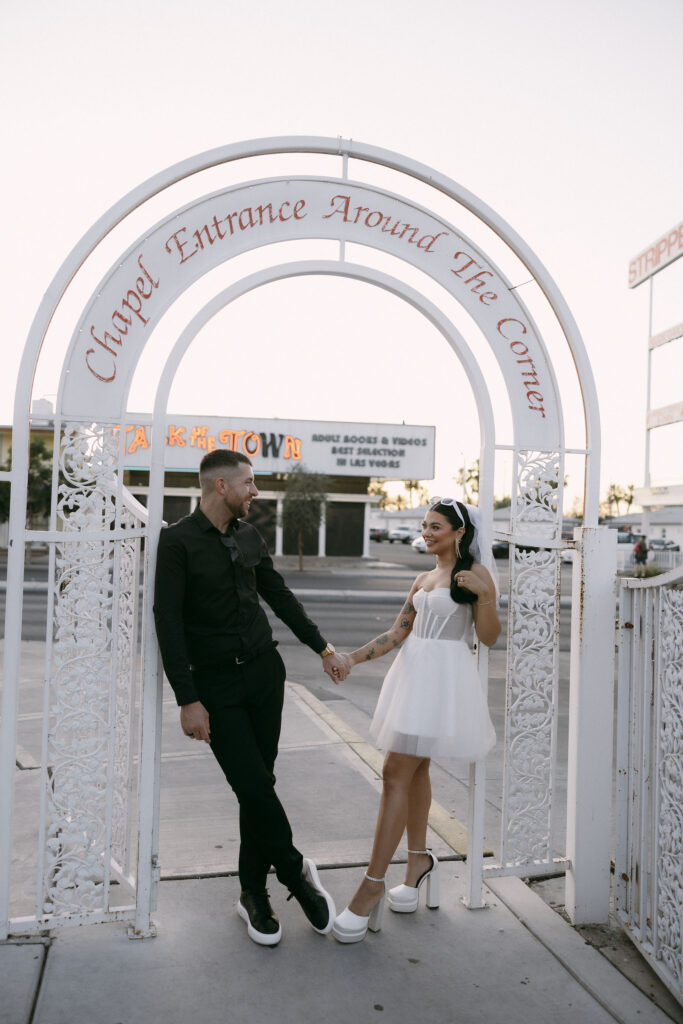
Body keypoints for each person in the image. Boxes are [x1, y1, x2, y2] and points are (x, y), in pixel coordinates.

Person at [153, 449, 349, 947]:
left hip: (265, 674)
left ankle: (251, 893)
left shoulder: (248, 534)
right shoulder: (177, 543)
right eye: (250, 483)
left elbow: (279, 596)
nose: (255, 492)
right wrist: (187, 699)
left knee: (257, 785)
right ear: (221, 486)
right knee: (253, 785)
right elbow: (168, 624)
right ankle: (293, 874)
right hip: (216, 687)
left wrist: (323, 648)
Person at [331, 498, 500, 944]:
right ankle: (418, 861)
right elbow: (397, 632)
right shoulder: (423, 578)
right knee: (415, 769)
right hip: (411, 677)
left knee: (393, 773)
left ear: (459, 532)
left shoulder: (475, 576)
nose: (427, 533)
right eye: (424, 526)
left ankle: (372, 886)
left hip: (442, 683)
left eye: (436, 527)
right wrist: (350, 658)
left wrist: (484, 597)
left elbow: (488, 637)